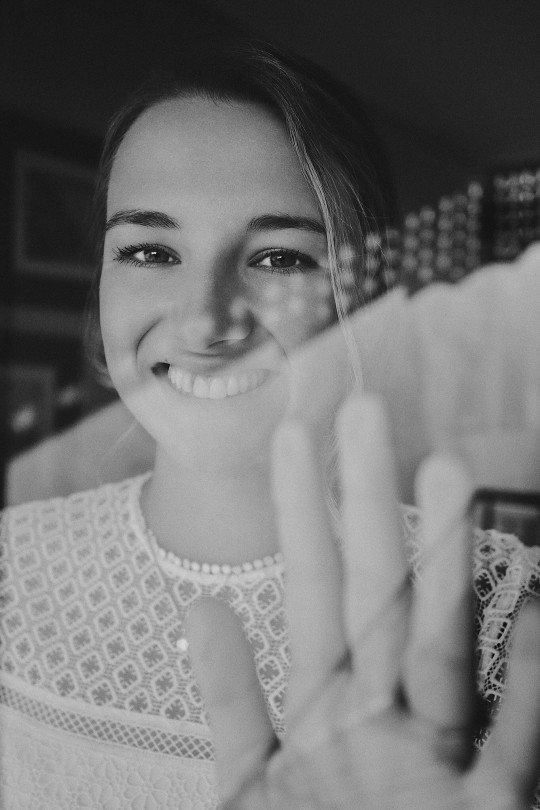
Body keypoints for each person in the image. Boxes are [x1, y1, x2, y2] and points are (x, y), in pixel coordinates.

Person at [1, 36, 539, 809]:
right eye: (151, 251)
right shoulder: (8, 572)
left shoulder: (500, 612)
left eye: (281, 259)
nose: (205, 321)